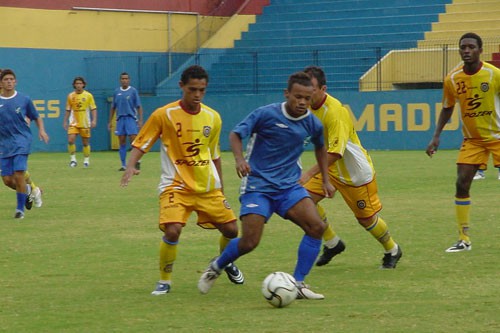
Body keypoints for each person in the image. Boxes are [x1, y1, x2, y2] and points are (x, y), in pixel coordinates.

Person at [198, 71, 335, 299]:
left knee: (317, 227)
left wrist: (326, 180)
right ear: (287, 93)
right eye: (297, 97)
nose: (302, 102)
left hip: (289, 187)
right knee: (250, 241)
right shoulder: (266, 114)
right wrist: (240, 160)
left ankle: (299, 284)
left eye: (307, 98)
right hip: (258, 186)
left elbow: (321, 148)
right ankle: (216, 267)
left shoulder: (313, 124)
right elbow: (235, 134)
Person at [120, 65, 244, 295]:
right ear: (181, 87)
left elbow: (214, 155)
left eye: (202, 90)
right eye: (192, 89)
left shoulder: (213, 117)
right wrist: (130, 165)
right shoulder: (163, 114)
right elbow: (141, 142)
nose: (197, 95)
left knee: (231, 230)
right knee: (172, 230)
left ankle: (224, 261)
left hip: (207, 187)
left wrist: (221, 188)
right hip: (175, 185)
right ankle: (164, 281)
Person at [300, 66, 402, 269]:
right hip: (329, 168)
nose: (306, 92)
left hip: (353, 173)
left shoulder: (334, 112)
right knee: (302, 201)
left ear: (323, 88)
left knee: (366, 220)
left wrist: (308, 173)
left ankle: (393, 249)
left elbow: (336, 152)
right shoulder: (307, 107)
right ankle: (332, 243)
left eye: (311, 87)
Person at [426, 32, 500, 252]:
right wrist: (436, 136)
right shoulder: (452, 78)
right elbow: (448, 107)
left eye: (471, 47)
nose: (466, 51)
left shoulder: (494, 74)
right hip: (473, 140)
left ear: (480, 50)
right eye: (463, 47)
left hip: (498, 137)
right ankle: (464, 239)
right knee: (461, 183)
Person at [0, 69, 49, 219]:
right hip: (4, 144)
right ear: (1, 82)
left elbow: (36, 116)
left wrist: (42, 130)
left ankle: (20, 210)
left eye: (11, 79)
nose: (9, 82)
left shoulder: (24, 99)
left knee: (19, 174)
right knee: (8, 180)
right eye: (6, 79)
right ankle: (29, 190)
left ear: (15, 82)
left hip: (22, 140)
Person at [108, 72, 144, 171]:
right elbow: (113, 107)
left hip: (131, 118)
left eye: (126, 78)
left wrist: (140, 120)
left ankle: (137, 161)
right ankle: (124, 165)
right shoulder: (116, 92)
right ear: (120, 80)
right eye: (122, 79)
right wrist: (110, 121)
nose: (124, 80)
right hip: (120, 119)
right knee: (122, 141)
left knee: (134, 141)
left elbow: (139, 106)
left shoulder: (133, 91)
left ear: (129, 80)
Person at [63, 76, 97, 168]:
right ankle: (73, 160)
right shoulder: (70, 96)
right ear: (74, 85)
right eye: (77, 83)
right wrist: (65, 121)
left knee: (85, 143)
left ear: (83, 85)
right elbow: (68, 109)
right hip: (73, 122)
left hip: (85, 122)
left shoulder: (88, 95)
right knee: (70, 140)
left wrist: (94, 120)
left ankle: (86, 160)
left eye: (80, 83)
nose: (78, 85)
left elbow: (93, 108)